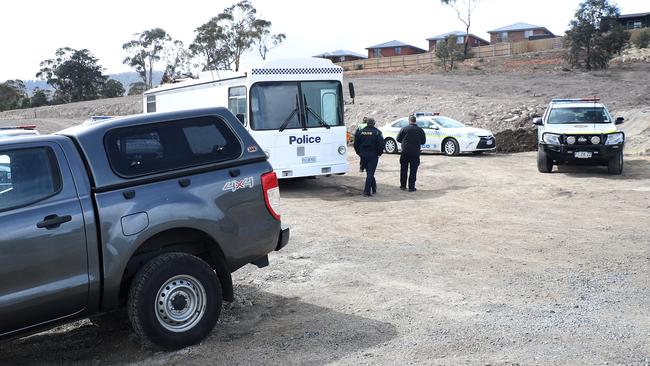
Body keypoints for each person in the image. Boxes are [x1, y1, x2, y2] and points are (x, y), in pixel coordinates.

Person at [353, 118, 384, 197]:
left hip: (363, 155)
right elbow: (381, 145)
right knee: (370, 173)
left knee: (369, 172)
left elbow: (355, 144)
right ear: (374, 123)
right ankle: (366, 192)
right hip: (373, 155)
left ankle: (373, 188)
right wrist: (379, 154)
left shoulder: (360, 132)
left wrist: (359, 153)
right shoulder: (377, 132)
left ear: (367, 123)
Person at [396, 115, 426, 192]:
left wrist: (404, 142)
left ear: (409, 121)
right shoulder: (420, 130)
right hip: (415, 153)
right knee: (413, 170)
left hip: (405, 152)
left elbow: (398, 139)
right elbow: (423, 141)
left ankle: (403, 186)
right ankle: (411, 187)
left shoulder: (404, 129)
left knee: (403, 169)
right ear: (415, 121)